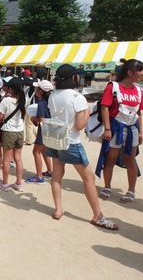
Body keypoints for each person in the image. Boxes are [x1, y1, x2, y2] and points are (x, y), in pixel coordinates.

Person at [47, 64, 118, 230]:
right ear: (74, 78)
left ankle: (58, 209)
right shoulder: (77, 98)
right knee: (88, 178)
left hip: (55, 140)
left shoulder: (52, 95)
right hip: (71, 142)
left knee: (57, 175)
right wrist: (87, 113)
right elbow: (79, 126)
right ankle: (97, 215)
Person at [96, 59, 143, 203]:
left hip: (131, 130)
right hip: (115, 128)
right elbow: (105, 107)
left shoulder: (139, 90)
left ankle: (131, 190)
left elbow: (139, 113)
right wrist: (108, 128)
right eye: (139, 70)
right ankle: (107, 187)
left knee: (130, 159)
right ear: (130, 72)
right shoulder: (113, 87)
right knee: (110, 158)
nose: (142, 73)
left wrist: (140, 131)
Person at [0, 77, 25, 192]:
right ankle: (18, 183)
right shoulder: (23, 100)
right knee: (18, 158)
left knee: (7, 159)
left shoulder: (6, 100)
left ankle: (5, 183)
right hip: (19, 130)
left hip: (9, 131)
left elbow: (0, 117)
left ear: (11, 89)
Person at [26, 80, 53, 184]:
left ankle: (39, 176)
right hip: (50, 130)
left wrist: (33, 118)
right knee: (44, 150)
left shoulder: (41, 103)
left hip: (43, 130)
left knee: (36, 151)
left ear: (41, 91)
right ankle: (50, 171)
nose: (35, 90)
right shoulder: (51, 101)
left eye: (37, 89)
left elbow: (41, 119)